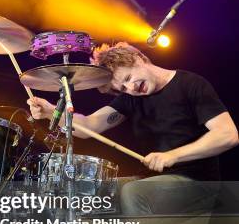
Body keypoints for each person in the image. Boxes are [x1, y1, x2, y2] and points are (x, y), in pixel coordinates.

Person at [27, 42, 238, 215]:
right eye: (122, 88)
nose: (131, 89)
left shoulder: (191, 84)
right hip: (153, 179)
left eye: (128, 78)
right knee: (95, 194)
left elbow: (227, 134)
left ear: (138, 59)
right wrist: (50, 111)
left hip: (199, 182)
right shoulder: (131, 98)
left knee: (135, 193)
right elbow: (88, 126)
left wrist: (173, 156)